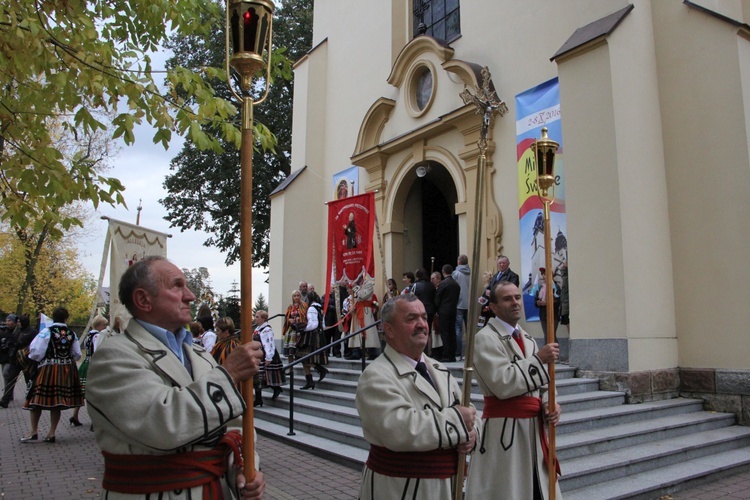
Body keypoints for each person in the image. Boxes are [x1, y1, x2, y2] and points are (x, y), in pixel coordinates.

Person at [85, 256, 266, 498]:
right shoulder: (113, 356)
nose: (190, 295)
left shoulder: (201, 355)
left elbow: (235, 426)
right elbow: (162, 424)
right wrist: (230, 373)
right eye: (177, 285)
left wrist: (242, 470)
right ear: (143, 299)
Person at [355, 294, 478, 500]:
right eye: (411, 319)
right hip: (401, 489)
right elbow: (400, 429)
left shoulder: (439, 369)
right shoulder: (375, 377)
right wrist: (457, 422)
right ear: (389, 330)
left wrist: (472, 434)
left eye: (423, 317)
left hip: (446, 487)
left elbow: (469, 411)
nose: (422, 324)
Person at [465, 281, 561, 500]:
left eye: (518, 297)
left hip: (534, 432)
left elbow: (545, 384)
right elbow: (503, 383)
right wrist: (539, 360)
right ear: (494, 307)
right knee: (508, 489)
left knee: (538, 490)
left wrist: (550, 402)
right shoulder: (484, 339)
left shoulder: (527, 338)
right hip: (504, 432)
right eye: (507, 299)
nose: (516, 303)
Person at [21, 307, 84, 444]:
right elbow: (77, 354)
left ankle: (33, 431)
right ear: (66, 319)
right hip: (66, 370)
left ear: (53, 318)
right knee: (57, 401)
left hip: (48, 369)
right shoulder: (71, 334)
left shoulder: (46, 332)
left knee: (35, 399)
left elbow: (36, 351)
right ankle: (51, 433)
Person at [70, 315, 108, 427]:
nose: (105, 327)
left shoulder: (88, 335)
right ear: (98, 325)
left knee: (82, 391)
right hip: (93, 364)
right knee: (94, 393)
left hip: (86, 362)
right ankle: (94, 419)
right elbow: (97, 350)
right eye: (104, 325)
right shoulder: (97, 335)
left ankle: (75, 415)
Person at [345, 278, 380, 360]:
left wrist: (355, 287)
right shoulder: (353, 283)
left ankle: (372, 352)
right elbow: (351, 297)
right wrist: (351, 306)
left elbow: (363, 295)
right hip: (356, 311)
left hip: (365, 310)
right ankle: (356, 352)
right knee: (356, 332)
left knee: (369, 331)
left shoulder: (368, 284)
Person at [298, 300, 329, 390]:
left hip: (311, 336)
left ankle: (320, 369)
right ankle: (309, 381)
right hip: (318, 335)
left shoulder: (312, 308)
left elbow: (313, 324)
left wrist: (301, 328)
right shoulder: (320, 309)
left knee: (303, 357)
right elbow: (322, 325)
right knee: (304, 359)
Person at [254, 310, 283, 400]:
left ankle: (276, 388)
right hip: (259, 355)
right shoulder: (257, 329)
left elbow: (270, 344)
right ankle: (258, 399)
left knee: (265, 376)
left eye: (257, 317)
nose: (255, 319)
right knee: (257, 376)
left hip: (266, 354)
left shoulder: (267, 330)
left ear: (263, 319)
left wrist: (269, 357)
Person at [435, 264, 461, 363]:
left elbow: (438, 298)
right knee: (452, 332)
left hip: (443, 311)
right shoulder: (456, 284)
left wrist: (436, 308)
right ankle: (453, 354)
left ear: (443, 272)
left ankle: (446, 355)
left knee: (445, 333)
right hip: (453, 310)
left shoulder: (443, 284)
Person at [532, 268, 561, 343]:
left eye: (545, 274)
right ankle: (548, 352)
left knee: (551, 335)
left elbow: (558, 301)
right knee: (546, 335)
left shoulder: (555, 286)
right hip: (543, 315)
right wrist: (538, 302)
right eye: (543, 274)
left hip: (553, 315)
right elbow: (535, 300)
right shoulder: (540, 287)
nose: (544, 276)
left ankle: (554, 353)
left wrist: (548, 303)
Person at [453, 255, 471, 360]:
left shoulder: (456, 273)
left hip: (459, 303)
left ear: (459, 262)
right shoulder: (470, 272)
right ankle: (469, 353)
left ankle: (458, 353)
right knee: (469, 329)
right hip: (468, 304)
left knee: (458, 329)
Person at [0, 313, 20, 407]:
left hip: (11, 358)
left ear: (15, 322)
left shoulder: (17, 332)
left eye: (10, 320)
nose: (7, 322)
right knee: (5, 376)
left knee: (6, 373)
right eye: (7, 320)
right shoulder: (4, 331)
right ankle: (9, 394)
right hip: (3, 357)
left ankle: (7, 394)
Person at [282, 289, 308, 362]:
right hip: (291, 329)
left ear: (300, 296)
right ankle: (290, 369)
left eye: (298, 295)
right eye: (294, 296)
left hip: (299, 329)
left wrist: (299, 319)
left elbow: (305, 317)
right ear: (292, 297)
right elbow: (287, 316)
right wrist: (289, 320)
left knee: (299, 351)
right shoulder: (290, 306)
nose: (296, 297)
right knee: (290, 351)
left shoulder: (304, 305)